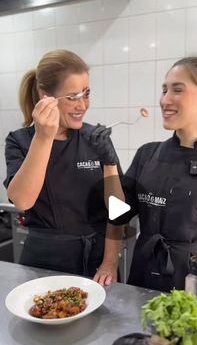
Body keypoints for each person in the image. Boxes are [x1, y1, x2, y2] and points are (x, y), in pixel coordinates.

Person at [111, 56, 197, 292]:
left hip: (193, 283)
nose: (165, 100)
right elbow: (117, 215)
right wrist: (109, 163)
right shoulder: (147, 154)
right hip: (141, 277)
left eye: (177, 90)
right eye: (164, 89)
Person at [4, 49, 123, 285]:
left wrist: (111, 261)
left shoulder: (95, 138)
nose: (83, 105)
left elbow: (118, 211)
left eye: (86, 94)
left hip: (96, 263)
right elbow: (22, 201)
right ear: (45, 96)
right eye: (73, 96)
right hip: (43, 264)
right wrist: (44, 137)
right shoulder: (20, 140)